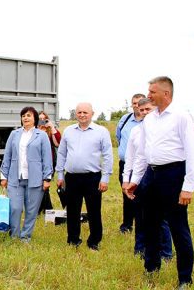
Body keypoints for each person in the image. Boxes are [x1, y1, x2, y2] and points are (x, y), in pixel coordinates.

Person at [123, 76, 194, 290]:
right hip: (152, 174)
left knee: (178, 227)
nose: (148, 95)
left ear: (166, 94)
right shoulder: (149, 119)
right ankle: (151, 267)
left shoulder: (181, 117)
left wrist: (188, 186)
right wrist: (135, 180)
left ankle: (185, 279)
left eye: (152, 92)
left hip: (173, 174)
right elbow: (142, 154)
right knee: (149, 223)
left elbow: (193, 152)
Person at [55, 102, 113, 250]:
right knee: (72, 210)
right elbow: (61, 153)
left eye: (85, 112)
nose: (82, 115)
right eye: (79, 112)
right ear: (76, 114)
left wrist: (105, 178)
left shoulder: (101, 132)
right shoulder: (68, 131)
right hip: (72, 177)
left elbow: (107, 156)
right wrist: (60, 175)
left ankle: (94, 241)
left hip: (92, 178)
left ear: (92, 113)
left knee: (94, 211)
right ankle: (73, 239)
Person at [122, 97, 173, 260]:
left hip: (159, 176)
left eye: (147, 109)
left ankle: (166, 252)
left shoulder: (163, 129)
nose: (144, 112)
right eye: (141, 110)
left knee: (161, 217)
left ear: (154, 109)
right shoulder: (136, 131)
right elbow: (131, 157)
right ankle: (140, 248)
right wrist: (127, 179)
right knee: (140, 215)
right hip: (139, 178)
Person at [0, 106, 53, 241]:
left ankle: (25, 237)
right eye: (23, 116)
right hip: (15, 179)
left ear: (35, 118)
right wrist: (3, 176)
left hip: (35, 179)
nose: (25, 118)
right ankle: (14, 236)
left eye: (28, 115)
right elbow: (7, 156)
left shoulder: (41, 135)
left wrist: (47, 178)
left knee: (31, 211)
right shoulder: (14, 134)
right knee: (15, 209)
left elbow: (47, 158)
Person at [115, 93, 145, 233]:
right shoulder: (125, 119)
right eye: (134, 103)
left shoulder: (148, 120)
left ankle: (143, 223)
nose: (136, 105)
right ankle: (127, 225)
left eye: (139, 102)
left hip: (142, 166)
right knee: (126, 194)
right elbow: (118, 137)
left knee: (142, 195)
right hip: (125, 164)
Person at [37, 111, 61, 211]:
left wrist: (52, 127)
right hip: (37, 162)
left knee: (45, 185)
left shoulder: (50, 132)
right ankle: (46, 208)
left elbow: (58, 143)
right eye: (39, 119)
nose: (42, 122)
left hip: (49, 162)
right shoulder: (33, 131)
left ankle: (46, 208)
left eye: (44, 119)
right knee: (38, 185)